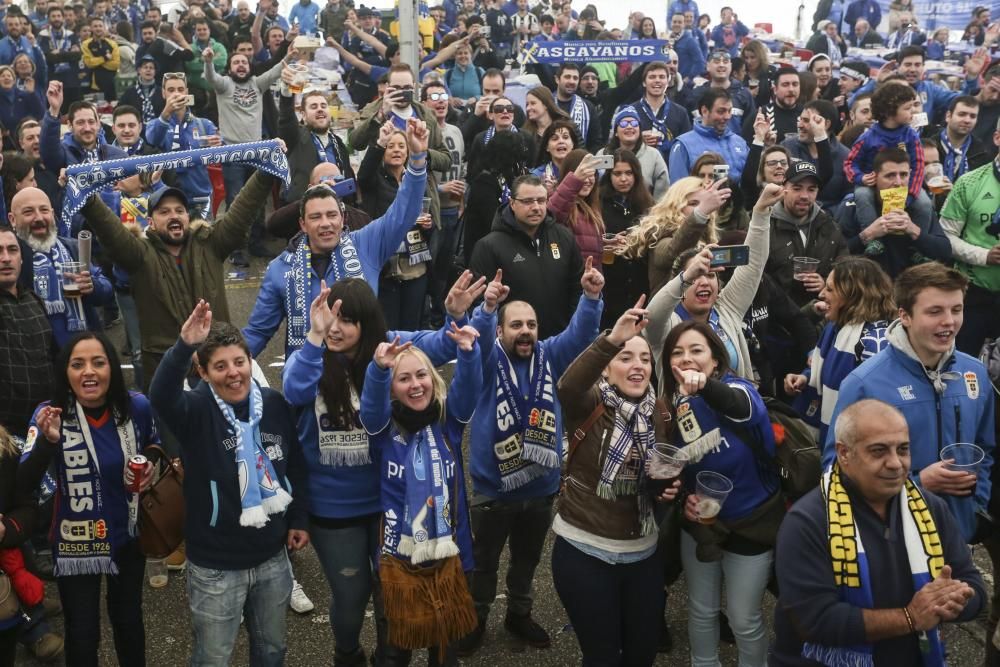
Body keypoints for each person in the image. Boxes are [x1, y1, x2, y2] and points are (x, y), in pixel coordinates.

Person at [282, 275, 479, 665]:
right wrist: (315, 337)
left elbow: (441, 346)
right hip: (334, 507)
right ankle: (348, 653)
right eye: (331, 317)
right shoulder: (314, 356)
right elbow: (293, 390)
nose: (337, 327)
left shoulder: (388, 349)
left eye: (348, 320)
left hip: (389, 504)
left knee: (392, 600)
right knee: (352, 599)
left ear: (366, 323)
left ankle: (389, 655)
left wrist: (456, 316)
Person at [149, 301, 309, 666]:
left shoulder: (272, 404)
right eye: (220, 366)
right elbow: (160, 396)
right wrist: (184, 345)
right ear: (202, 372)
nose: (233, 373)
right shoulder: (194, 411)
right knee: (213, 657)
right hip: (216, 567)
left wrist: (299, 519)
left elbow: (294, 466)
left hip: (272, 557)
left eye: (240, 362)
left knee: (272, 651)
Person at [458, 259, 604, 656]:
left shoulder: (550, 355)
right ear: (503, 330)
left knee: (526, 560)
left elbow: (581, 335)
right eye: (516, 325)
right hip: (493, 488)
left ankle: (518, 614)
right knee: (484, 563)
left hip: (541, 484)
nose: (525, 333)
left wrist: (591, 297)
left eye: (531, 325)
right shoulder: (488, 360)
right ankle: (476, 618)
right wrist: (486, 310)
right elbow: (479, 339)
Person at [772, 399, 986, 666]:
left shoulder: (931, 508)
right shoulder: (806, 522)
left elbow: (973, 587)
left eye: (903, 449)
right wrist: (910, 617)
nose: (896, 463)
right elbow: (814, 619)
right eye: (879, 451)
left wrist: (955, 601)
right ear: (844, 453)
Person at [825, 262, 995, 548]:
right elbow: (837, 470)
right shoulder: (865, 383)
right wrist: (917, 483)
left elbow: (985, 447)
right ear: (904, 315)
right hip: (892, 540)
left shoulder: (974, 373)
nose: (950, 322)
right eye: (935, 311)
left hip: (958, 534)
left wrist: (977, 505)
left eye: (957, 309)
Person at [16, 331, 158, 666]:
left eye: (98, 362)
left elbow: (152, 443)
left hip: (127, 534)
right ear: (65, 372)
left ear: (112, 367)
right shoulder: (48, 414)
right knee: (82, 631)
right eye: (77, 364)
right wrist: (48, 443)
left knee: (128, 621)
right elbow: (23, 484)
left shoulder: (136, 406)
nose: (88, 372)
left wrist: (150, 463)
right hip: (75, 544)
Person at [553, 296, 680, 665]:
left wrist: (670, 489)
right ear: (606, 370)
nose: (638, 365)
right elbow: (567, 386)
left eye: (644, 359)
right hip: (584, 551)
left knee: (641, 656)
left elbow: (665, 470)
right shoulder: (589, 402)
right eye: (625, 358)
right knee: (603, 657)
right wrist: (610, 341)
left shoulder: (660, 411)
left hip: (643, 553)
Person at [79, 166, 278, 390]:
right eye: (164, 212)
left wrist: (265, 172)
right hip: (166, 371)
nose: (173, 215)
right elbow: (109, 229)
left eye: (179, 210)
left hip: (219, 364)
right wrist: (85, 196)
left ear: (187, 216)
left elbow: (244, 209)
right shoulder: (139, 255)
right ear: (150, 223)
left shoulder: (210, 243)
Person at [244, 118, 430, 358]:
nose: (325, 223)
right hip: (309, 380)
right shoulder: (280, 269)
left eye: (332, 215)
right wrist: (223, 362)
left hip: (364, 374)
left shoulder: (366, 244)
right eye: (316, 216)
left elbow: (403, 212)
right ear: (302, 223)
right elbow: (257, 333)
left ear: (343, 219)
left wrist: (416, 159)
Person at [359, 319, 482, 666]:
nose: (416, 385)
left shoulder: (448, 423)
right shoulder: (382, 430)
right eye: (404, 378)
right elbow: (370, 408)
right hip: (397, 563)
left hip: (451, 558)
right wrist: (378, 370)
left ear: (434, 379)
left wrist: (468, 354)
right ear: (392, 388)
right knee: (394, 654)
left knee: (444, 656)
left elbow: (469, 391)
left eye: (422, 375)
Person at [663, 319, 784, 667]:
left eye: (696, 350)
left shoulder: (740, 390)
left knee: (743, 618)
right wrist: (684, 494)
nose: (687, 359)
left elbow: (738, 407)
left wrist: (705, 388)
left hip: (752, 521)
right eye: (678, 353)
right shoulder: (673, 404)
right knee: (701, 610)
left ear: (716, 359)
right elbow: (680, 463)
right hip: (704, 522)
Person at [645, 184, 784, 392]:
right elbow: (652, 316)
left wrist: (761, 212)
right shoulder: (668, 323)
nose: (704, 281)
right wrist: (686, 277)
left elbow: (754, 264)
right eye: (696, 276)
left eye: (710, 275)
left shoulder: (727, 309)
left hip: (734, 416)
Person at [784, 257, 894, 444]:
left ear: (853, 295)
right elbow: (828, 369)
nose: (821, 294)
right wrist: (807, 377)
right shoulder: (837, 325)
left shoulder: (875, 343)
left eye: (830, 289)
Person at [469, 174, 585, 339]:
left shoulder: (563, 236)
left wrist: (573, 331)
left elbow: (577, 287)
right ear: (512, 203)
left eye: (541, 200)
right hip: (512, 345)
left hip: (560, 342)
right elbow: (478, 302)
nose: (536, 207)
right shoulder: (489, 246)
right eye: (528, 201)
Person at [205, 46, 284, 262]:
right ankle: (236, 248)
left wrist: (293, 56)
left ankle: (256, 243)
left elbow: (277, 70)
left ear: (249, 67)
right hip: (232, 153)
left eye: (244, 62)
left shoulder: (257, 84)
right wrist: (209, 61)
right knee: (235, 201)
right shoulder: (224, 85)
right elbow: (210, 76)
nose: (241, 65)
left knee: (259, 201)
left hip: (257, 152)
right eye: (236, 62)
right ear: (229, 69)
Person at [8, 187, 114, 346]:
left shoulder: (72, 248)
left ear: (52, 213)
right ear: (12, 219)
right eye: (28, 212)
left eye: (44, 210)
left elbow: (107, 289)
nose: (38, 217)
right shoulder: (10, 258)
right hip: (38, 354)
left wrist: (92, 285)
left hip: (83, 348)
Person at [837, 148, 952, 278]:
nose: (898, 182)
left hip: (908, 287)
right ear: (874, 177)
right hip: (867, 287)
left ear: (910, 175)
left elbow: (945, 253)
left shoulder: (919, 206)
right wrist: (869, 234)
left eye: (903, 175)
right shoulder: (853, 206)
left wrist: (914, 231)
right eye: (890, 175)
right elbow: (835, 255)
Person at [764, 161, 848, 309]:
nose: (804, 196)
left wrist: (826, 283)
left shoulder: (829, 225)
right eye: (797, 188)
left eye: (811, 189)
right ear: (784, 188)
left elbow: (844, 268)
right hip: (777, 317)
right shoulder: (764, 226)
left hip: (821, 312)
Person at [624, 177, 726, 295]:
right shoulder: (659, 236)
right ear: (675, 206)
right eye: (693, 203)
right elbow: (673, 251)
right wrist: (700, 213)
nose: (701, 208)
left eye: (703, 204)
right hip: (669, 311)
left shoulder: (705, 236)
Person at [0, 226, 55, 438]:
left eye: (12, 250)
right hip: (5, 436)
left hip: (44, 426)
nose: (6, 258)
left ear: (22, 259)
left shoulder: (34, 300)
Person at [145, 72, 220, 219]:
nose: (176, 94)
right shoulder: (155, 124)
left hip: (200, 198)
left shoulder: (204, 124)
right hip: (167, 198)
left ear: (186, 92)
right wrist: (166, 113)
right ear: (163, 93)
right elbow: (152, 140)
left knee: (202, 240)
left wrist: (216, 146)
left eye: (180, 89)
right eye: (171, 90)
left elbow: (218, 158)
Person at [600, 149, 655, 330]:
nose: (623, 179)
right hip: (610, 285)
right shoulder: (599, 204)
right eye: (617, 173)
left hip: (640, 283)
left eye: (628, 173)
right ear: (609, 175)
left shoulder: (648, 205)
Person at [462, 129, 533, 267]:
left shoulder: (507, 178)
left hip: (505, 251)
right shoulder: (484, 182)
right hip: (485, 255)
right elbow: (492, 221)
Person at [669, 88, 750, 184]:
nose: (727, 116)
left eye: (729, 111)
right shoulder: (683, 145)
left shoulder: (740, 143)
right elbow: (678, 190)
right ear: (704, 111)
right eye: (721, 111)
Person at [782, 100, 848, 210]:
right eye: (800, 119)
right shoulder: (787, 147)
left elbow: (847, 197)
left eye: (806, 121)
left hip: (830, 217)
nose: (800, 125)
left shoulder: (845, 156)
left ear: (826, 124)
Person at [597, 105, 670, 201]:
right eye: (623, 124)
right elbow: (596, 186)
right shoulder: (603, 154)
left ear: (640, 130)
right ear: (615, 132)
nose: (629, 127)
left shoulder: (654, 155)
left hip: (645, 212)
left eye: (634, 123)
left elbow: (662, 192)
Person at [547, 150, 605, 268]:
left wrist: (603, 243)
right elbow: (551, 214)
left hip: (591, 281)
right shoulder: (557, 199)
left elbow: (583, 242)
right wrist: (575, 180)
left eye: (592, 175)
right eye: (584, 175)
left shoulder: (590, 206)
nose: (588, 180)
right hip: (571, 282)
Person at [681, 49, 756, 136]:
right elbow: (687, 129)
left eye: (725, 61)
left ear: (730, 66)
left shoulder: (744, 95)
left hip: (734, 147)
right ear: (708, 66)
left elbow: (751, 129)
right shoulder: (695, 95)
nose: (721, 65)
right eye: (716, 62)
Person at [628, 59, 693, 160]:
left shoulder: (681, 112)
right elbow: (620, 145)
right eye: (652, 77)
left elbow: (687, 146)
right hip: (639, 168)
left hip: (671, 168)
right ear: (644, 83)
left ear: (667, 81)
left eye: (662, 77)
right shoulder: (631, 111)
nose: (657, 80)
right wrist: (638, 139)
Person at [742, 67, 802, 146]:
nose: (791, 89)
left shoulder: (806, 114)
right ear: (775, 89)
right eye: (785, 85)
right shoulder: (760, 117)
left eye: (795, 84)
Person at [552, 63, 602, 153]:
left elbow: (596, 141)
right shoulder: (547, 104)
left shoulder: (588, 107)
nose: (572, 81)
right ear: (557, 79)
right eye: (567, 77)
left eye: (575, 78)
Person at [531, 119, 580, 191]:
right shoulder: (537, 176)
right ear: (547, 147)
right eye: (555, 138)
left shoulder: (582, 171)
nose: (561, 141)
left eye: (565, 137)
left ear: (573, 144)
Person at [80, 15, 119, 100]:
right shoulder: (86, 44)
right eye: (95, 26)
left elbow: (115, 64)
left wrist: (97, 62)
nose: (98, 28)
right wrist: (105, 58)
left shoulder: (112, 44)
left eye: (100, 26)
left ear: (104, 28)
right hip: (95, 85)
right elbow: (89, 63)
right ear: (91, 29)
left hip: (112, 84)